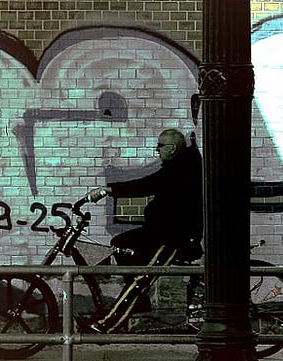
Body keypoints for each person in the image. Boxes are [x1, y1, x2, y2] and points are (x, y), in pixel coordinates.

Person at [78, 128, 203, 333]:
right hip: (157, 232)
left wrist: (107, 190)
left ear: (172, 148)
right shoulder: (176, 167)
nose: (157, 150)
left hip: (173, 238)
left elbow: (146, 185)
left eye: (160, 146)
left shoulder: (182, 170)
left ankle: (106, 324)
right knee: (120, 244)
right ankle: (141, 298)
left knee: (140, 280)